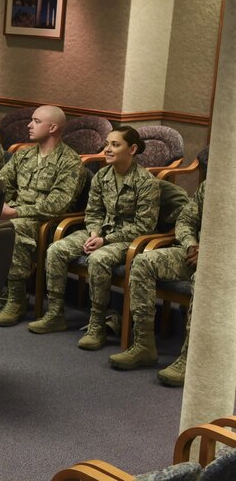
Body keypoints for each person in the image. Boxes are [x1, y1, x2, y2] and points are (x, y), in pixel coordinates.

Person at [43, 126, 160, 350]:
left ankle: (97, 324)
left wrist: (105, 240)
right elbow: (94, 212)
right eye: (107, 144)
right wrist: (95, 232)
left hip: (127, 239)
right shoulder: (102, 176)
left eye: (115, 145)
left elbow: (144, 226)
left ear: (132, 149)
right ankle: (55, 313)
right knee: (56, 249)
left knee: (98, 259)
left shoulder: (146, 183)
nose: (107, 149)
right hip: (99, 232)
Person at [0, 106, 84, 328]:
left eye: (36, 121)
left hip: (49, 222)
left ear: (53, 128)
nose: (29, 125)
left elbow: (57, 204)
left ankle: (16, 300)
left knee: (15, 226)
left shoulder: (70, 162)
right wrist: (2, 204)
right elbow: (2, 182)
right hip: (16, 213)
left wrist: (15, 211)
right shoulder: (23, 154)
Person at [109, 180, 205, 386]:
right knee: (144, 262)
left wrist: (211, 253)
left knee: (203, 280)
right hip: (194, 253)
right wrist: (191, 244)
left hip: (225, 262)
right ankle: (144, 345)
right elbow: (185, 220)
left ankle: (191, 358)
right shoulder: (211, 185)